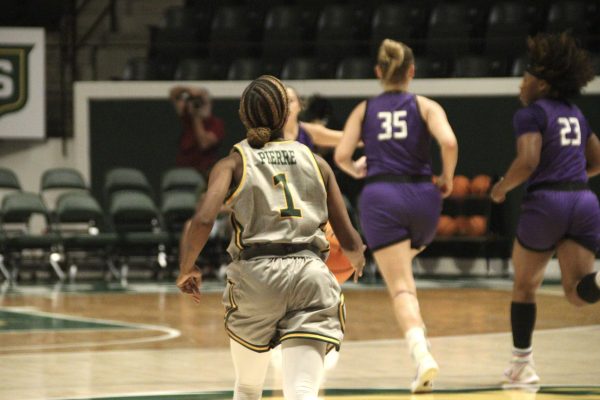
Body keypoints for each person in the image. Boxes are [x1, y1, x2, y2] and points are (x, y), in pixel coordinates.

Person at [176, 75, 366, 400]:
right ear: (285, 114)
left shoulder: (232, 162)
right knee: (302, 390)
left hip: (256, 276)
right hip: (310, 273)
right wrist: (357, 259)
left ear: (243, 115)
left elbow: (204, 219)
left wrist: (187, 267)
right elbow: (348, 236)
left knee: (248, 388)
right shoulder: (317, 162)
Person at [334, 38, 458, 393]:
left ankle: (422, 356)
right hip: (424, 196)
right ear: (411, 72)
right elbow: (448, 143)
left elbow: (342, 155)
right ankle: (420, 338)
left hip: (382, 196)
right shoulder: (425, 105)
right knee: (406, 272)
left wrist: (358, 169)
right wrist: (447, 178)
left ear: (378, 72)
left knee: (400, 287)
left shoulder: (364, 109)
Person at [490, 32, 600, 387]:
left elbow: (528, 160)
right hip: (582, 200)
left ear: (543, 83)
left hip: (546, 203)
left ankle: (522, 367)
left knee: (524, 286)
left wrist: (502, 187)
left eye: (527, 75)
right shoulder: (575, 113)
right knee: (577, 293)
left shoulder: (532, 113)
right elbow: (598, 160)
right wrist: (568, 176)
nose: (522, 82)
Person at [169, 85, 226, 180]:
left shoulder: (216, 124)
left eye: (201, 101)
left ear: (209, 103)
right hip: (183, 169)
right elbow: (173, 94)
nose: (199, 105)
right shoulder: (187, 118)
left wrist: (196, 117)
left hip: (204, 172)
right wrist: (187, 90)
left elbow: (204, 144)